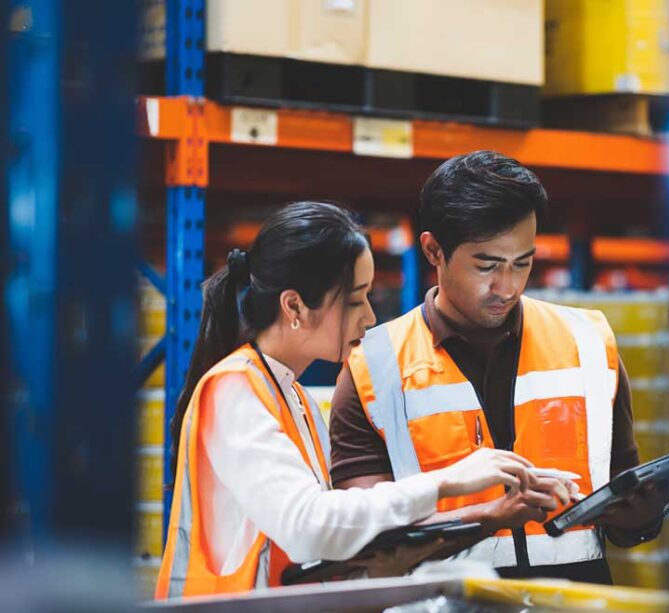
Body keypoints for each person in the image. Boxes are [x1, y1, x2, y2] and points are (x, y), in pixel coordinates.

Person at [155, 201, 560, 599]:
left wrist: (381, 566)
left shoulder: (294, 397)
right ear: (294, 305)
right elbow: (306, 524)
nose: (369, 317)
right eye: (354, 300)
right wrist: (444, 480)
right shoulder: (233, 389)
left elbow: (303, 556)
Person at [330, 151, 669, 585]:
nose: (507, 287)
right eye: (487, 265)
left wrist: (642, 516)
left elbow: (622, 508)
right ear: (433, 250)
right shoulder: (373, 368)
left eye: (523, 263)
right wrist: (490, 517)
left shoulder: (588, 342)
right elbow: (364, 539)